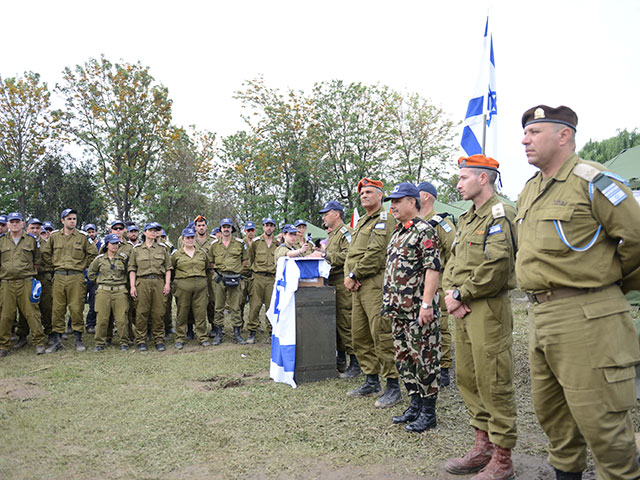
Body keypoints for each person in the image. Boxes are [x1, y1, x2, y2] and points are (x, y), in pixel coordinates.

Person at [517, 105, 640, 480]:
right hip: (540, 316)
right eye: (525, 133)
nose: (525, 140)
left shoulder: (595, 181)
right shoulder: (530, 190)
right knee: (554, 419)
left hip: (589, 316)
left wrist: (604, 280)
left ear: (563, 135)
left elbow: (635, 239)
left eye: (535, 132)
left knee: (602, 424)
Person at [442, 155, 517, 479]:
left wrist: (460, 295)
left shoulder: (501, 213)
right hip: (462, 308)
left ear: (484, 179)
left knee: (493, 380)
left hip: (487, 309)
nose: (458, 184)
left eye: (463, 178)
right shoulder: (467, 218)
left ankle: (502, 456)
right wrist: (449, 293)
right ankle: (482, 444)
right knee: (468, 377)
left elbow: (498, 266)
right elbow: (453, 263)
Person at [382, 183, 441, 433]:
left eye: (398, 201)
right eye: (391, 201)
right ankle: (414, 404)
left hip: (418, 311)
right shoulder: (398, 232)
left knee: (424, 360)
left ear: (412, 202)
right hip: (398, 312)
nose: (392, 206)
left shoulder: (425, 231)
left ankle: (428, 412)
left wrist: (426, 304)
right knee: (404, 359)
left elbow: (432, 269)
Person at [344, 177, 400, 408]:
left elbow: (377, 253)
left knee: (381, 335)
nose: (364, 195)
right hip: (358, 286)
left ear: (380, 195)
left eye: (369, 192)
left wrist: (354, 275)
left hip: (374, 285)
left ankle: (393, 385)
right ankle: (371, 379)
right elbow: (353, 253)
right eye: (362, 193)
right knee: (360, 334)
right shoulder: (362, 222)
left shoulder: (384, 219)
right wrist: (353, 277)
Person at [418, 181, 456, 387]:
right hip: (418, 287)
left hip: (439, 284)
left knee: (440, 327)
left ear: (426, 196)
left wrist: (448, 280)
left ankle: (444, 367)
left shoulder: (441, 223)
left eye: (416, 194)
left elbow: (454, 251)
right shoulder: (414, 222)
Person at [43, 208, 98, 353]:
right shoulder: (54, 237)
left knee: (76, 308)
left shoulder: (82, 237)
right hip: (59, 276)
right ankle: (57, 341)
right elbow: (45, 253)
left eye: (74, 219)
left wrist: (82, 265)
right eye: (69, 219)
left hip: (76, 277)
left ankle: (78, 339)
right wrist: (54, 265)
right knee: (57, 308)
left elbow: (93, 254)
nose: (72, 221)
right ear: (62, 221)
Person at [319, 200, 360, 378]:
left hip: (343, 285)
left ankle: (356, 363)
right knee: (334, 323)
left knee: (346, 323)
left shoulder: (346, 233)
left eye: (326, 214)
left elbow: (349, 256)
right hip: (331, 284)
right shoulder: (332, 235)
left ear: (336, 214)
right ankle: (341, 358)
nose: (323, 218)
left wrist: (324, 255)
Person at [0, 212, 46, 357]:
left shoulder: (31, 240)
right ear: (7, 224)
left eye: (17, 221)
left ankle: (39, 343)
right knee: (6, 315)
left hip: (26, 281)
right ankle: (3, 345)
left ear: (22, 224)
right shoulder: (1, 241)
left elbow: (37, 261)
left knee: (32, 313)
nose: (14, 224)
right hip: (7, 283)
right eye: (11, 222)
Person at [128, 222, 172, 352]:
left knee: (159, 312)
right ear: (144, 232)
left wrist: (167, 284)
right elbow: (132, 269)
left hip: (158, 281)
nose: (153, 232)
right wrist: (132, 286)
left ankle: (159, 339)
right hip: (142, 282)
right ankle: (141, 340)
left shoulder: (162, 249)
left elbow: (168, 268)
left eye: (155, 230)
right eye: (150, 230)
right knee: (141, 312)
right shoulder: (136, 250)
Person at [14, 218, 53, 348]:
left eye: (38, 228)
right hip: (27, 279)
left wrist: (39, 268)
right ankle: (22, 335)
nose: (35, 231)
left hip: (43, 278)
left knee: (46, 307)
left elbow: (50, 262)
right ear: (27, 228)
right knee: (25, 308)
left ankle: (50, 334)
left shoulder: (47, 244)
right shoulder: (23, 242)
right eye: (32, 228)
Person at [87, 233, 130, 351]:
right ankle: (100, 343)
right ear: (107, 245)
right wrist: (100, 282)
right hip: (103, 291)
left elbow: (129, 272)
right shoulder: (99, 259)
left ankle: (124, 342)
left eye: (117, 243)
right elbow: (90, 273)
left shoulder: (123, 258)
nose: (115, 246)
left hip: (120, 291)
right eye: (113, 243)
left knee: (122, 319)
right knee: (102, 319)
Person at [208, 218, 248, 345]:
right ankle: (218, 334)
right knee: (218, 306)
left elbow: (245, 261)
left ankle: (237, 333)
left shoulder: (240, 244)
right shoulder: (214, 244)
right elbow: (211, 262)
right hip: (220, 278)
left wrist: (236, 271)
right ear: (220, 229)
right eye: (224, 227)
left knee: (235, 306)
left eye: (228, 227)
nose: (226, 229)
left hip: (235, 277)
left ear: (232, 229)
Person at [170, 227, 211, 349]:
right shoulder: (176, 254)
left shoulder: (202, 253)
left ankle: (202, 336)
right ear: (182, 239)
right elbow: (171, 270)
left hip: (200, 286)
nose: (190, 240)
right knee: (182, 313)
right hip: (183, 286)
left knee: (200, 312)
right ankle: (180, 338)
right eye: (187, 238)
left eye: (192, 237)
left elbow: (207, 268)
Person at [246, 217, 278, 344]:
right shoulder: (256, 242)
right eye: (266, 225)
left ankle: (271, 332)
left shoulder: (278, 243)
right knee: (255, 305)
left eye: (271, 225)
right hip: (257, 277)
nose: (269, 227)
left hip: (271, 278)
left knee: (271, 306)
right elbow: (251, 258)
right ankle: (252, 332)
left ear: (274, 227)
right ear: (263, 227)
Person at [194, 215, 216, 335]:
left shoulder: (213, 240)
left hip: (210, 274)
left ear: (207, 227)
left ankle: (214, 325)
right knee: (195, 301)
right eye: (199, 226)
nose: (201, 228)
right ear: (195, 228)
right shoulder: (188, 239)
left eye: (203, 225)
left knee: (212, 300)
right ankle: (192, 327)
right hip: (196, 274)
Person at [83, 223, 100, 334]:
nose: (91, 234)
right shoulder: (81, 244)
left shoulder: (101, 245)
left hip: (95, 278)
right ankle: (71, 325)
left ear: (96, 232)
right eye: (88, 232)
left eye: (92, 231)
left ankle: (91, 324)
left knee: (94, 304)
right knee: (77, 303)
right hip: (83, 277)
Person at [240, 221, 256, 328]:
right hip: (243, 274)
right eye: (248, 230)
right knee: (240, 301)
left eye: (252, 230)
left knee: (254, 302)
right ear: (245, 231)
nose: (250, 233)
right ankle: (240, 323)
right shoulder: (241, 243)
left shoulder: (257, 242)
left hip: (254, 275)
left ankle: (255, 323)